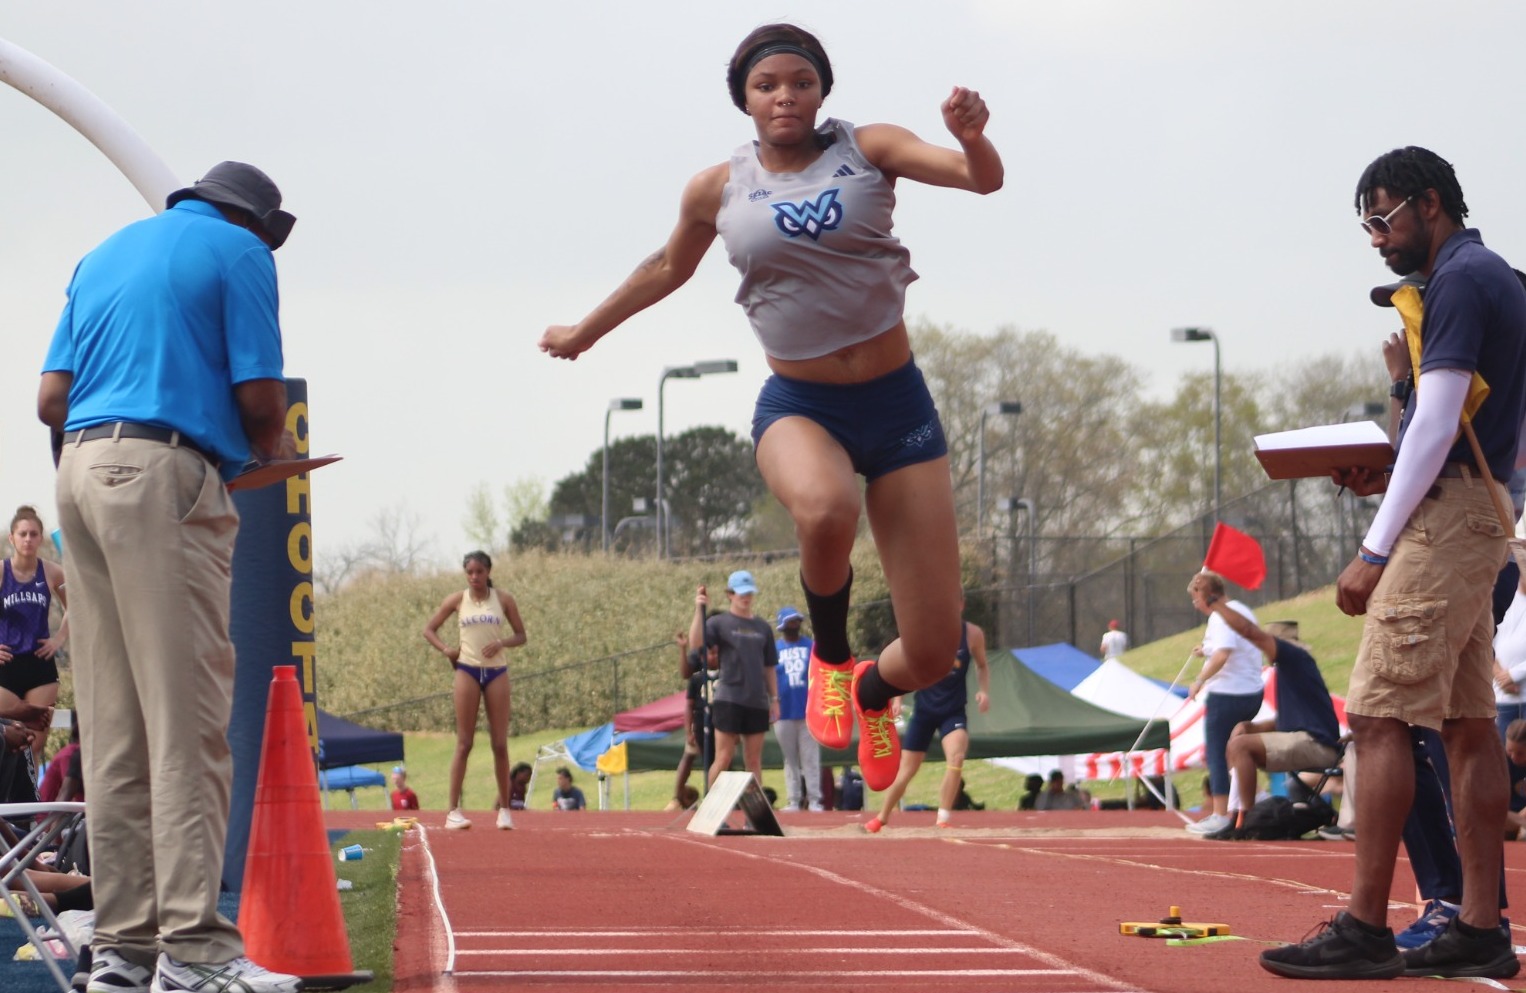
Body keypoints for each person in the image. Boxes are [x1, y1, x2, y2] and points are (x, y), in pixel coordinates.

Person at [540, 23, 1003, 791]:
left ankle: (872, 690)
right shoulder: (717, 187)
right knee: (824, 510)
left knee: (930, 649)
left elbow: (980, 179)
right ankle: (830, 654)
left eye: (801, 82)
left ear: (822, 90)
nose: (785, 95)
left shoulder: (871, 148)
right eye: (767, 85)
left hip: (898, 405)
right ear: (745, 100)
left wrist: (974, 138)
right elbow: (665, 265)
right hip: (801, 404)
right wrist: (586, 331)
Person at [37, 161, 302, 993]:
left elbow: (51, 397)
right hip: (163, 472)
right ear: (254, 223)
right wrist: (277, 454)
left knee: (114, 732)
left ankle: (123, 951)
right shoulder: (241, 253)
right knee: (188, 725)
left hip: (78, 473)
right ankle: (196, 954)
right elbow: (262, 401)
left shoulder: (107, 250)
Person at [1262, 147, 1526, 981]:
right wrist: (1384, 465)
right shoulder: (1500, 278)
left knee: (1377, 716)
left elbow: (1442, 417)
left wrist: (1375, 547)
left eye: (1382, 218)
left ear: (1429, 204)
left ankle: (1366, 926)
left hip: (1445, 522)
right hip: (1482, 512)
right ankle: (1479, 924)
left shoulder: (1459, 281)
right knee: (1465, 721)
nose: (1376, 239)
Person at [1185, 603, 1341, 841]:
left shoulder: (1294, 658)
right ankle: (1238, 814)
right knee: (1240, 738)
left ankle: (1246, 819)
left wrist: (1216, 603)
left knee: (1240, 746)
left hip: (1318, 745)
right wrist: (1254, 727)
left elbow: (1250, 631)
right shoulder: (1289, 670)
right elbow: (1293, 719)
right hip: (1309, 739)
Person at [422, 550, 528, 831]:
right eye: (470, 572)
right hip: (467, 669)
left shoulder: (503, 599)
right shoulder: (457, 600)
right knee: (464, 742)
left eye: (479, 572)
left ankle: (504, 810)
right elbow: (429, 629)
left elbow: (522, 635)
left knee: (499, 743)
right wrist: (447, 649)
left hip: (496, 672)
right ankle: (453, 811)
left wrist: (501, 642)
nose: (474, 577)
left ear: (488, 572)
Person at [865, 612, 989, 831]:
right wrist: (897, 699)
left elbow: (982, 665)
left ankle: (943, 817)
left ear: (960, 605)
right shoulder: (925, 631)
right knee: (907, 770)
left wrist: (984, 691)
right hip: (925, 711)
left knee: (957, 756)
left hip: (953, 711)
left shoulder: (972, 634)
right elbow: (906, 665)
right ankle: (881, 817)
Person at [1183, 571, 1265, 836]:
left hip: (1228, 695)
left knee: (1217, 753)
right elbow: (1232, 646)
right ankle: (1258, 796)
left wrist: (1199, 680)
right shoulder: (1241, 609)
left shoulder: (1219, 617)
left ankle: (1219, 814)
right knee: (1236, 752)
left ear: (1206, 595)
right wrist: (1204, 650)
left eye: (1195, 598)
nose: (1194, 604)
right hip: (1252, 692)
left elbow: (1223, 653)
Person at [690, 573, 779, 788]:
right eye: (741, 593)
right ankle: (712, 811)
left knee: (754, 761)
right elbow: (696, 643)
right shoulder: (719, 623)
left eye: (749, 593)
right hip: (729, 698)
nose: (745, 597)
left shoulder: (763, 627)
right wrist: (699, 609)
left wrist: (774, 698)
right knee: (724, 756)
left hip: (756, 700)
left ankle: (754, 817)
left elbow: (769, 666)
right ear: (730, 595)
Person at [1, 505, 67, 767]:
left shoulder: (52, 572)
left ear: (41, 538)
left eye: (33, 534)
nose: (28, 539)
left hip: (40, 666)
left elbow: (76, 607)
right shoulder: (3, 572)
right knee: (7, 737)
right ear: (12, 538)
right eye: (23, 534)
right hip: (7, 665)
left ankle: (32, 806)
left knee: (34, 744)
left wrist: (59, 639)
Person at [773, 606, 822, 811]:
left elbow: (820, 674)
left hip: (808, 711)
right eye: (790, 621)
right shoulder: (774, 649)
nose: (795, 624)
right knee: (790, 758)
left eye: (797, 620)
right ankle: (793, 799)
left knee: (810, 756)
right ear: (782, 625)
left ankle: (814, 800)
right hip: (783, 711)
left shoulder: (811, 646)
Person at [670, 629, 717, 809]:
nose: (714, 656)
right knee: (691, 755)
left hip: (720, 724)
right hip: (700, 723)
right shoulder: (697, 677)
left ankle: (718, 797)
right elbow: (688, 704)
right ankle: (678, 797)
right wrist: (688, 730)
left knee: (719, 760)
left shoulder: (725, 673)